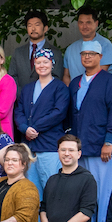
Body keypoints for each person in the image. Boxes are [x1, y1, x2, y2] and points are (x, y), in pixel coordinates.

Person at [67, 40, 112, 222]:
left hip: (103, 148)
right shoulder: (75, 83)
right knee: (85, 193)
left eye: (92, 54)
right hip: (81, 148)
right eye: (84, 54)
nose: (87, 57)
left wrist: (109, 141)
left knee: (105, 193)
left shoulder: (111, 82)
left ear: (101, 57)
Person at [15, 49, 69, 196]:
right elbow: (18, 111)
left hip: (49, 147)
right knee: (32, 192)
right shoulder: (28, 88)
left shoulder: (60, 88)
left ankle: (52, 220)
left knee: (52, 191)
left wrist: (35, 128)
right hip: (29, 148)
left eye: (45, 62)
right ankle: (35, 220)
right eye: (38, 62)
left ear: (52, 64)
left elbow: (59, 113)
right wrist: (25, 128)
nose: (42, 65)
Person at [7, 10, 64, 89]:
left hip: (45, 98)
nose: (33, 28)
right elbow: (12, 77)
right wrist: (23, 96)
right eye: (29, 25)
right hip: (20, 98)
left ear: (45, 28)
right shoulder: (18, 52)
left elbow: (57, 77)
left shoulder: (55, 52)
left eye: (37, 25)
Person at [63, 7, 112, 82]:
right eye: (81, 22)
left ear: (96, 23)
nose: (84, 26)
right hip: (74, 91)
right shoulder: (70, 49)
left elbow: (100, 74)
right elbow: (66, 76)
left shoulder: (105, 45)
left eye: (88, 22)